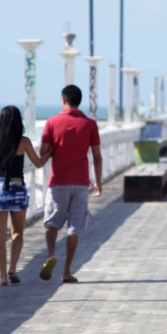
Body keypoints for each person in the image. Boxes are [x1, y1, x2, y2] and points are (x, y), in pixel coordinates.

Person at [39, 85, 103, 283]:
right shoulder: (90, 124)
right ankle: (66, 271)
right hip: (81, 183)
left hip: (58, 181)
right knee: (74, 227)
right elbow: (97, 157)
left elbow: (43, 152)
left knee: (51, 222)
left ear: (63, 100)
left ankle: (51, 254)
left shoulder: (52, 122)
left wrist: (54, 150)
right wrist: (98, 182)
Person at [0, 106, 51, 287]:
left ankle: (3, 276)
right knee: (17, 233)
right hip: (17, 188)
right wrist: (51, 152)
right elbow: (38, 163)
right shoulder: (24, 142)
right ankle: (13, 267)